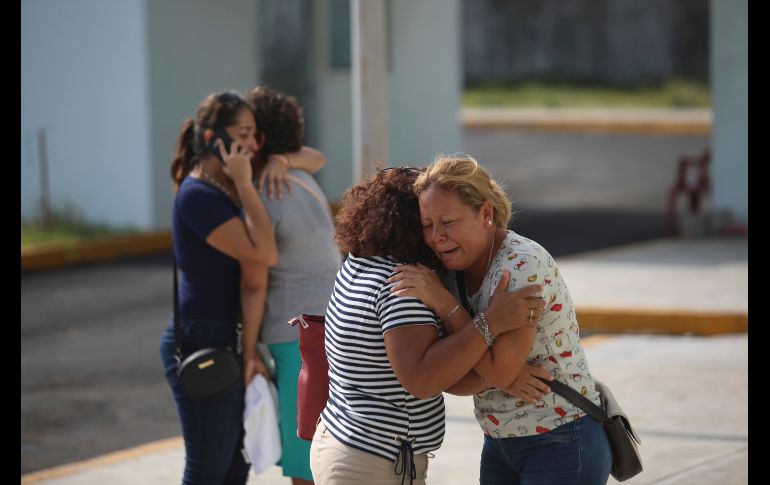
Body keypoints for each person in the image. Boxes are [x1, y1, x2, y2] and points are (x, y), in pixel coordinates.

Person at [309, 167, 547, 485]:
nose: (437, 236)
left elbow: (444, 367)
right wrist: (491, 323)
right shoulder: (402, 286)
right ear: (412, 225)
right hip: (373, 462)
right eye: (428, 223)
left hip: (343, 443)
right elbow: (423, 380)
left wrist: (499, 375)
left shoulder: (358, 264)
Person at [389, 154, 613, 484]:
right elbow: (448, 375)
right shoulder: (451, 271)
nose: (436, 236)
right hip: (500, 442)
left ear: (486, 214)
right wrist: (493, 369)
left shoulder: (521, 267)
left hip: (562, 438)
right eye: (427, 225)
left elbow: (499, 369)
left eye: (448, 222)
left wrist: (446, 306)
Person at [160, 90, 279, 485]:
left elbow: (313, 157)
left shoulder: (224, 185)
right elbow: (264, 252)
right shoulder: (198, 195)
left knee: (233, 469)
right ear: (213, 138)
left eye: (255, 134)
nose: (253, 144)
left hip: (227, 338)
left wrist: (279, 162)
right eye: (243, 134)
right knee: (207, 470)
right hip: (202, 340)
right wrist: (245, 182)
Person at [244, 85, 340, 485]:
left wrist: (247, 350)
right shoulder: (298, 174)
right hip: (327, 327)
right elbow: (317, 155)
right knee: (321, 458)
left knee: (306, 467)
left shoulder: (264, 191)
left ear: (259, 138)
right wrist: (284, 158)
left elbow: (254, 284)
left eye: (245, 133)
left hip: (297, 338)